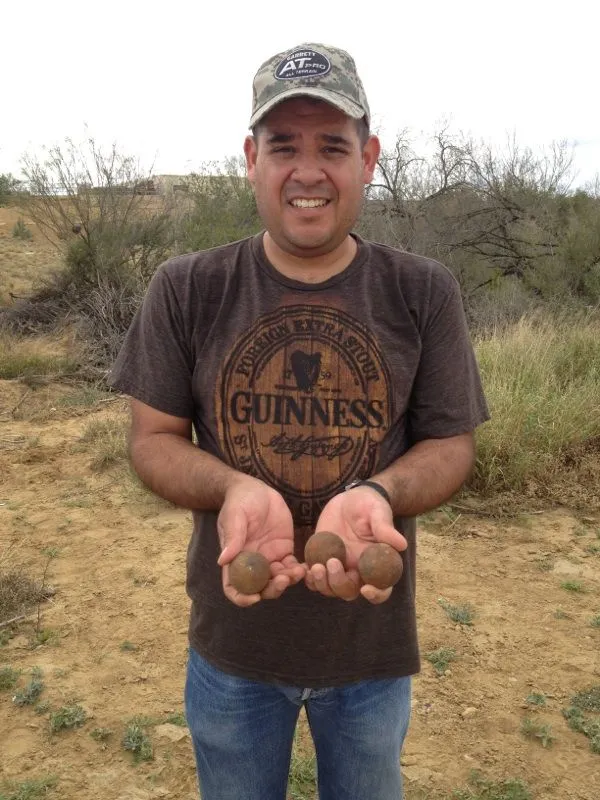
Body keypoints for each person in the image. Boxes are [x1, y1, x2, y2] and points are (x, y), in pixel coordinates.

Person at [109, 42, 489, 800]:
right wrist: (230, 488)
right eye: (284, 146)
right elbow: (151, 441)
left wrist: (378, 495)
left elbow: (451, 444)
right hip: (234, 648)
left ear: (368, 157)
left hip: (371, 654)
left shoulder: (422, 291)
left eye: (332, 147)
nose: (307, 171)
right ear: (251, 158)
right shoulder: (187, 288)